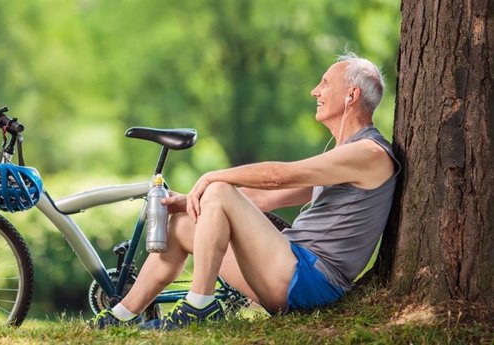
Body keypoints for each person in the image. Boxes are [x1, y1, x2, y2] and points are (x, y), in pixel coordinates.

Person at [90, 52, 400, 330]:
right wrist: (191, 201)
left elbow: (279, 177)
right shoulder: (343, 157)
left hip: (310, 280)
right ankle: (122, 315)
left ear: (351, 95)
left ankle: (200, 305)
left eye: (324, 83)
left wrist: (213, 178)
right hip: (288, 271)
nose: (315, 91)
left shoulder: (368, 154)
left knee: (221, 189)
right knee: (183, 225)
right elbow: (262, 198)